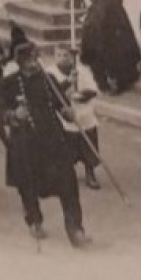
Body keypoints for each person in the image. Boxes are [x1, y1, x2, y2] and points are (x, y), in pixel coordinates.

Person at [0, 42, 89, 246]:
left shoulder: (48, 80)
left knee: (68, 181)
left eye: (36, 58)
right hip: (25, 141)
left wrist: (68, 112)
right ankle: (34, 220)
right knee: (28, 184)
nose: (34, 64)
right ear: (20, 62)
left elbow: (60, 104)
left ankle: (75, 229)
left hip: (53, 138)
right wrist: (13, 114)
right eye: (29, 60)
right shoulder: (10, 83)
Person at [79, 0, 141, 94]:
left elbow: (106, 18)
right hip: (95, 38)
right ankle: (104, 84)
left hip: (110, 37)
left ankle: (118, 84)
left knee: (114, 62)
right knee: (97, 62)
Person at [49, 46, 103, 190]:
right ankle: (65, 176)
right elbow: (52, 91)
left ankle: (90, 172)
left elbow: (92, 89)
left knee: (88, 145)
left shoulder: (82, 71)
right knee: (65, 149)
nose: (62, 58)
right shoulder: (51, 72)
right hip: (65, 116)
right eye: (58, 55)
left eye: (65, 55)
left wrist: (79, 95)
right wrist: (67, 81)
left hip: (84, 114)